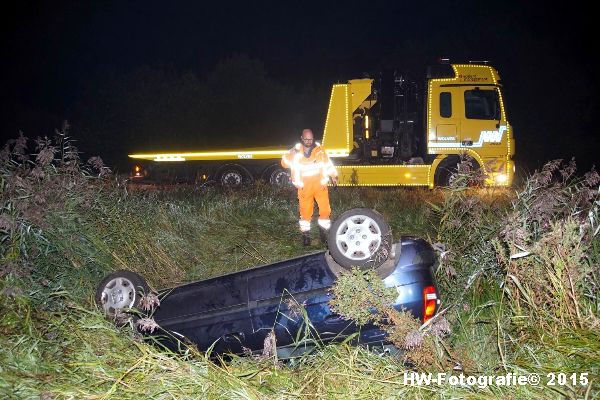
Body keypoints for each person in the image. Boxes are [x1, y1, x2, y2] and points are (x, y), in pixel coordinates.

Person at [281, 128, 338, 246]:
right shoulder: (295, 152)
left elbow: (328, 164)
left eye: (310, 139)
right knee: (305, 213)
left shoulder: (320, 151)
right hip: (304, 188)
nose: (308, 141)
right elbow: (284, 163)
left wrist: (334, 175)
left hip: (320, 186)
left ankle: (324, 234)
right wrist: (289, 153)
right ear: (302, 138)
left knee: (325, 211)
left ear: (313, 138)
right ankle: (306, 237)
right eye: (306, 139)